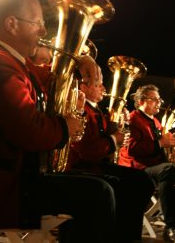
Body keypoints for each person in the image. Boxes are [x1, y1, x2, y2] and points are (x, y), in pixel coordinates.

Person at [0, 0, 118, 243]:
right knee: (98, 194)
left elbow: (51, 77)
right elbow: (29, 131)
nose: (44, 32)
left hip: (22, 177)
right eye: (38, 24)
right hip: (6, 188)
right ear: (11, 24)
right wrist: (67, 126)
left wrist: (81, 59)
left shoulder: (13, 62)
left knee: (108, 188)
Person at [65, 65, 155, 242]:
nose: (104, 89)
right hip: (85, 168)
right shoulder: (82, 110)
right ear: (83, 88)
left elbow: (107, 139)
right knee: (132, 184)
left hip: (98, 165)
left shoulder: (97, 111)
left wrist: (118, 127)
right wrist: (114, 139)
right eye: (98, 84)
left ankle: (126, 235)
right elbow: (87, 152)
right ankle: (121, 235)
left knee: (143, 182)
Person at [118, 84, 175, 242]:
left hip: (153, 166)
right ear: (140, 102)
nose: (159, 102)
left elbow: (160, 147)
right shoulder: (133, 118)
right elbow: (132, 149)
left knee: (173, 170)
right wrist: (160, 143)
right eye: (154, 99)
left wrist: (172, 143)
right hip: (138, 168)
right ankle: (171, 225)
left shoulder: (157, 122)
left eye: (159, 99)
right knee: (168, 170)